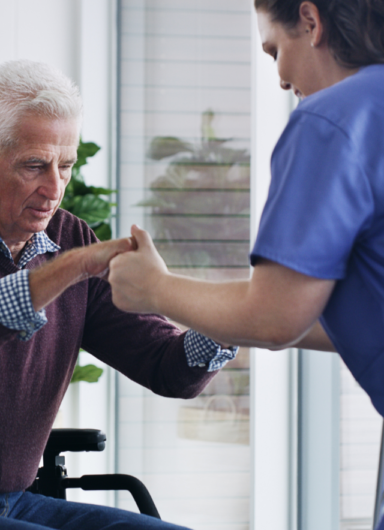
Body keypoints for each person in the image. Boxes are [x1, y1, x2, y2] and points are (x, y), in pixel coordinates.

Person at [109, 0, 384, 523]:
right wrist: (214, 312)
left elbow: (274, 318)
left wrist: (157, 291)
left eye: (274, 50)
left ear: (311, 20)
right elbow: (345, 318)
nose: (280, 79)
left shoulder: (332, 118)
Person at [0, 60, 237, 530]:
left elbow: (165, 367)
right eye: (34, 165)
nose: (55, 188)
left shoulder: (69, 236)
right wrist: (67, 269)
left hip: (18, 503)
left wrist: (226, 316)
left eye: (66, 165)